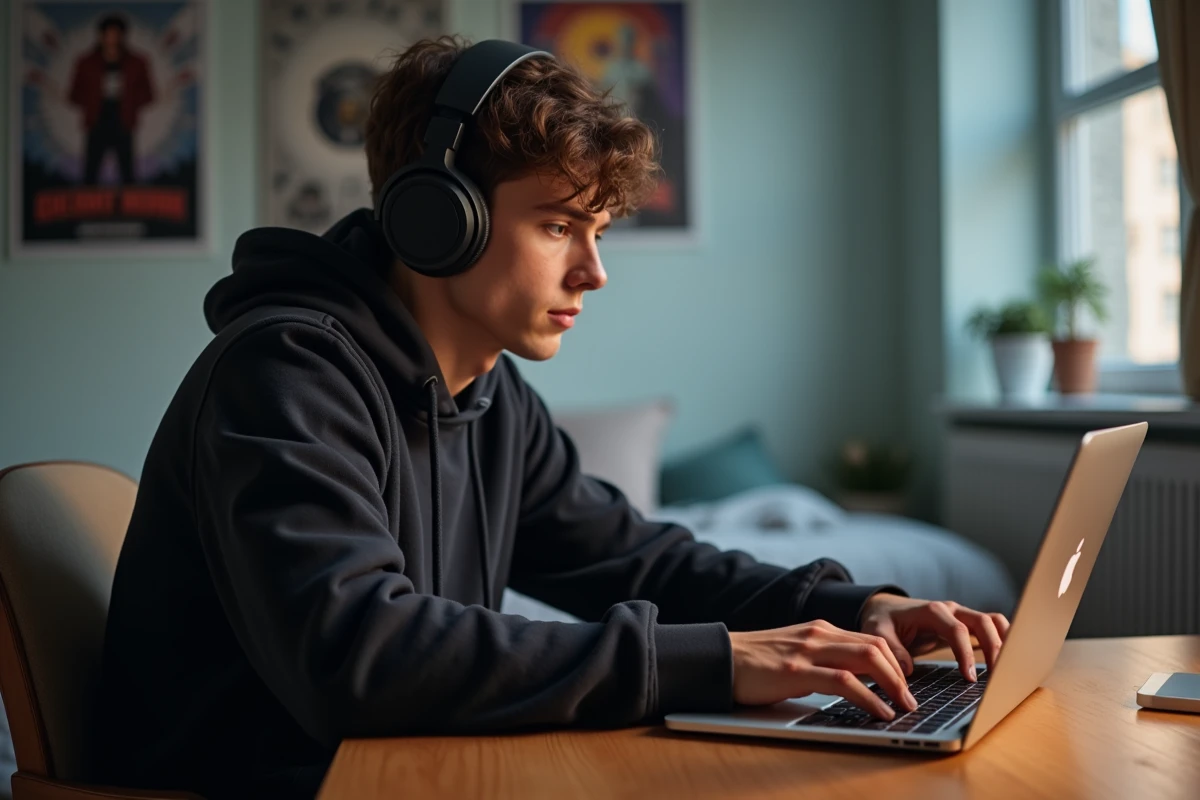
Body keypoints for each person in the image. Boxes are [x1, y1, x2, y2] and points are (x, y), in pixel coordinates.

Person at [95, 36, 1010, 800]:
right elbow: (361, 658)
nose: (593, 272)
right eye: (557, 225)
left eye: (598, 232)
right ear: (434, 218)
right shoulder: (286, 373)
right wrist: (720, 661)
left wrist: (857, 609)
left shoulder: (490, 398)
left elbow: (636, 557)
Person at [68, 14, 154, 185]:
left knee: (127, 172)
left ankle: (130, 208)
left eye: (116, 34)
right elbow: (75, 94)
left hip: (123, 121)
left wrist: (130, 101)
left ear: (123, 36)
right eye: (108, 34)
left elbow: (148, 93)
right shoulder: (86, 62)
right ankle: (87, 207)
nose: (112, 39)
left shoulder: (137, 62)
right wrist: (92, 99)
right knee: (91, 172)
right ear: (101, 35)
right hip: (97, 121)